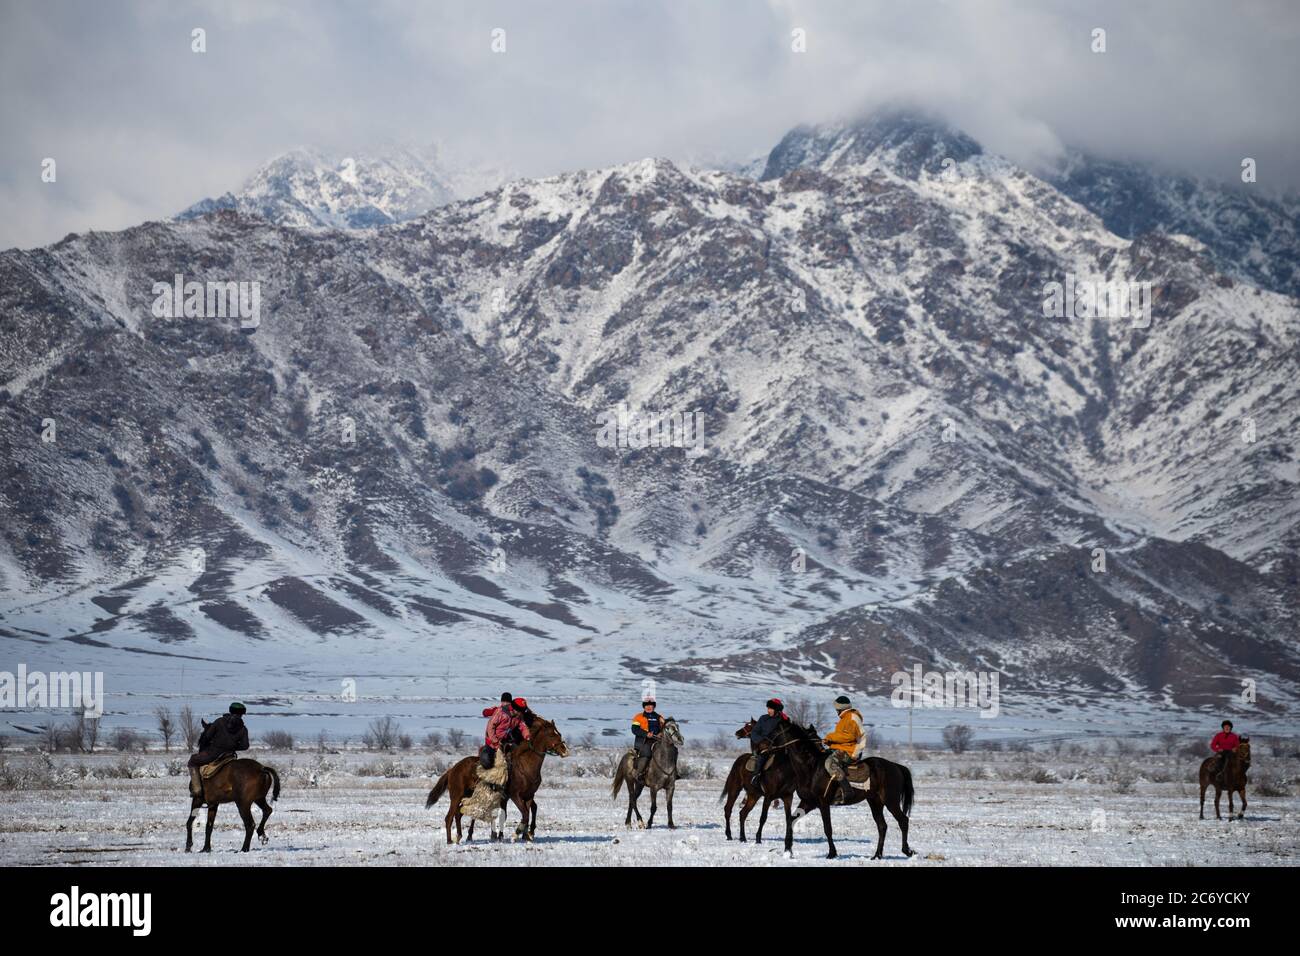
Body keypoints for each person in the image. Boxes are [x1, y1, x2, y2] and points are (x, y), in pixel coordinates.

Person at [188, 702, 249, 796]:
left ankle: (197, 790)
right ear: (242, 714)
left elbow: (207, 736)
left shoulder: (219, 721)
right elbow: (245, 746)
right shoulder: (243, 728)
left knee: (192, 760)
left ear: (230, 710)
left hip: (213, 754)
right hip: (229, 756)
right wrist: (233, 746)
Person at [823, 695, 866, 802]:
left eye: (836, 708)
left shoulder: (851, 717)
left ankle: (847, 791)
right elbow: (843, 739)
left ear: (840, 708)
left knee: (829, 763)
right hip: (846, 748)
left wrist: (830, 737)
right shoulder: (845, 718)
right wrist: (830, 744)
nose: (835, 710)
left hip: (852, 751)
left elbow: (849, 736)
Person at [480, 696, 530, 769]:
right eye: (520, 711)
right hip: (492, 741)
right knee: (487, 760)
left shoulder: (518, 716)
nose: (521, 713)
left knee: (517, 756)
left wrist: (527, 735)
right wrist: (495, 742)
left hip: (505, 741)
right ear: (515, 709)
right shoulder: (500, 713)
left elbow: (523, 726)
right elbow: (490, 727)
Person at [749, 698, 788, 785]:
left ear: (777, 709)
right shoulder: (763, 718)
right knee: (762, 758)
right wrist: (762, 742)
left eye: (771, 708)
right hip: (765, 746)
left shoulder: (784, 720)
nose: (768, 710)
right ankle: (756, 777)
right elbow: (754, 733)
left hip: (780, 747)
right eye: (768, 708)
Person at [630, 691, 664, 781]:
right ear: (644, 707)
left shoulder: (660, 717)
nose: (649, 707)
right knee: (647, 753)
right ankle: (639, 774)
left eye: (651, 705)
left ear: (654, 706)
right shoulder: (638, 717)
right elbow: (634, 729)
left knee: (670, 751)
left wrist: (661, 733)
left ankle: (672, 773)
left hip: (658, 741)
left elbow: (664, 728)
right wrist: (646, 734)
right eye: (646, 706)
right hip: (644, 741)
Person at [1210, 719, 1240, 784]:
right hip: (1221, 752)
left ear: (1231, 728)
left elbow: (1238, 745)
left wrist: (1235, 748)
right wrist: (1217, 749)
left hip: (1231, 753)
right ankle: (1217, 775)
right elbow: (1213, 745)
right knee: (1218, 761)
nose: (1227, 728)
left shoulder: (1234, 736)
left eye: (1228, 727)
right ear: (1223, 728)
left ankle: (1237, 777)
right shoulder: (1218, 735)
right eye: (1225, 727)